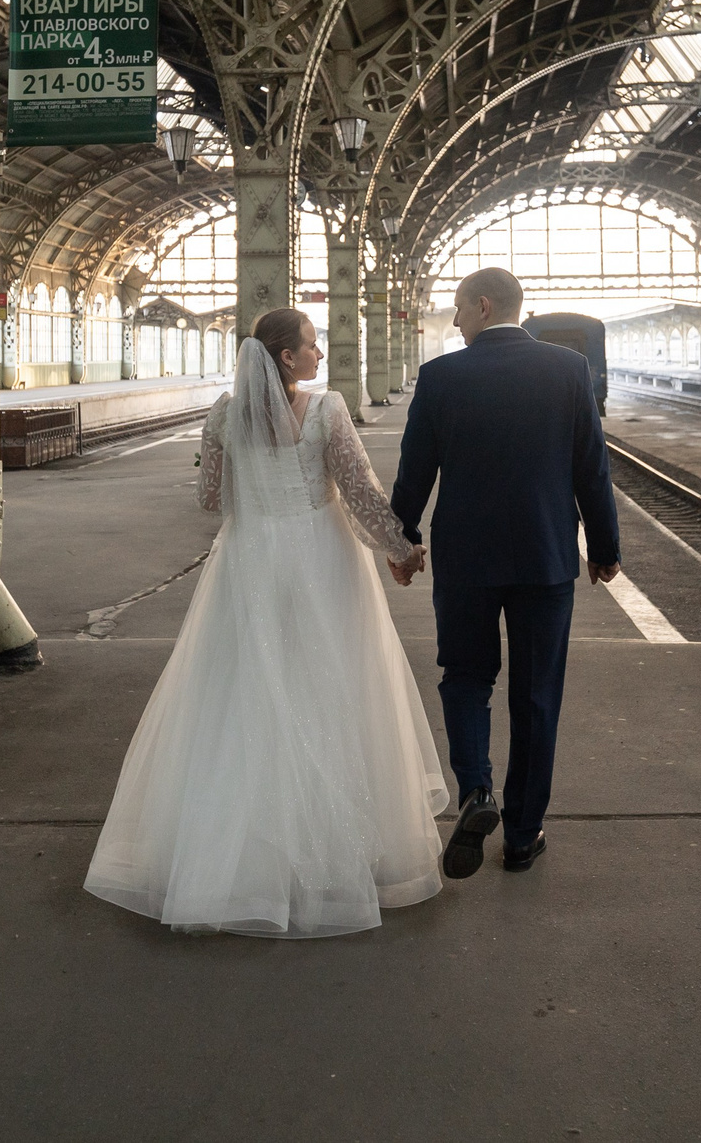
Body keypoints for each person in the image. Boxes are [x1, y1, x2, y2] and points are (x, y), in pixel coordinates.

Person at [84, 309, 444, 938]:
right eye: (311, 345)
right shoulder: (328, 410)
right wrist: (401, 549)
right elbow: (359, 491)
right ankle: (337, 849)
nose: (320, 355)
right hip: (321, 559)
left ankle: (238, 859)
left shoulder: (224, 415)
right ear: (286, 357)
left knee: (243, 696)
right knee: (329, 690)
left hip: (249, 562)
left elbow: (210, 500)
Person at [390, 266, 621, 879]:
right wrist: (603, 547)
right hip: (545, 559)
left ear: (483, 306)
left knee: (465, 677)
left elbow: (415, 472)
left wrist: (402, 540)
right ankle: (522, 834)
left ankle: (476, 795)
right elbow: (591, 469)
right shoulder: (566, 371)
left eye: (460, 311)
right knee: (537, 693)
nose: (457, 322)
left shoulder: (440, 377)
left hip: (467, 560)